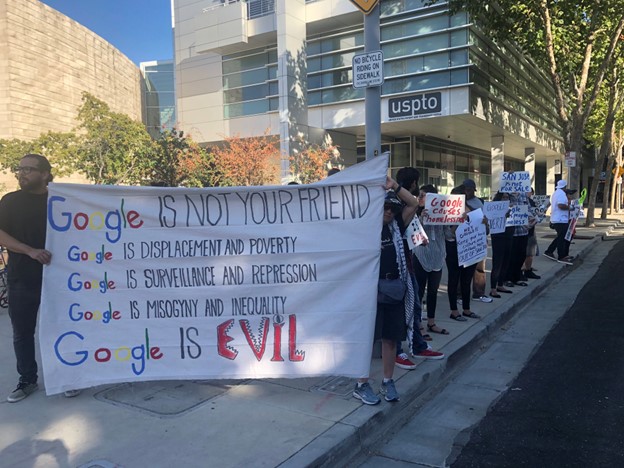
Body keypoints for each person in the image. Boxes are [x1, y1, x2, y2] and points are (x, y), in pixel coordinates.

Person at [0, 154, 80, 402]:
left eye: (29, 169)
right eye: (20, 168)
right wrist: (30, 251)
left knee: (60, 329)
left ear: (45, 174)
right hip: (22, 279)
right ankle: (27, 380)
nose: (22, 173)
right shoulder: (10, 201)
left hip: (59, 280)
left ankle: (65, 376)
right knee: (22, 333)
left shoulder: (62, 200)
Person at [413, 184, 448, 335]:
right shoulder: (414, 213)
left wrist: (458, 221)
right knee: (419, 291)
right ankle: (418, 325)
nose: (420, 198)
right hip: (421, 256)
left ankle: (431, 323)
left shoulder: (441, 214)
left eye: (423, 195)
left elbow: (449, 234)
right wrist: (421, 218)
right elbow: (413, 234)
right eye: (419, 195)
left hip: (438, 256)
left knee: (433, 291)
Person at [445, 185, 480, 321]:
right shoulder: (446, 213)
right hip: (453, 249)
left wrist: (484, 223)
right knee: (454, 280)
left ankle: (467, 309)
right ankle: (454, 310)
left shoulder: (472, 211)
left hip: (470, 248)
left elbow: (482, 229)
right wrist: (458, 221)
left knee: (466, 280)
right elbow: (448, 234)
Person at [462, 179, 493, 304]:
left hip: (479, 240)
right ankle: (459, 295)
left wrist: (486, 224)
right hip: (465, 241)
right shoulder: (458, 203)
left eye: (471, 190)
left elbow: (485, 217)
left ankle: (479, 293)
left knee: (480, 268)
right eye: (467, 190)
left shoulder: (480, 201)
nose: (469, 192)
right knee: (462, 270)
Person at [488, 192, 514, 297]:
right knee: (497, 262)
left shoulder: (511, 207)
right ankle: (493, 288)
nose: (505, 199)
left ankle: (500, 284)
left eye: (507, 197)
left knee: (506, 261)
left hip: (509, 235)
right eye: (503, 197)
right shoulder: (494, 208)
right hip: (498, 237)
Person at [544, 180, 574, 265]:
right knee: (561, 238)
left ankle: (550, 251)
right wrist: (570, 207)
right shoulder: (561, 194)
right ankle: (561, 256)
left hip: (557, 219)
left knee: (561, 237)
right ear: (564, 187)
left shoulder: (556, 193)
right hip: (560, 219)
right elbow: (560, 205)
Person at [522, 188, 541, 280]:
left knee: (530, 253)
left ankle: (528, 270)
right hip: (520, 232)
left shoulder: (532, 202)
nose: (527, 193)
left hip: (530, 230)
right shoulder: (518, 201)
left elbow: (536, 215)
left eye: (529, 191)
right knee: (520, 253)